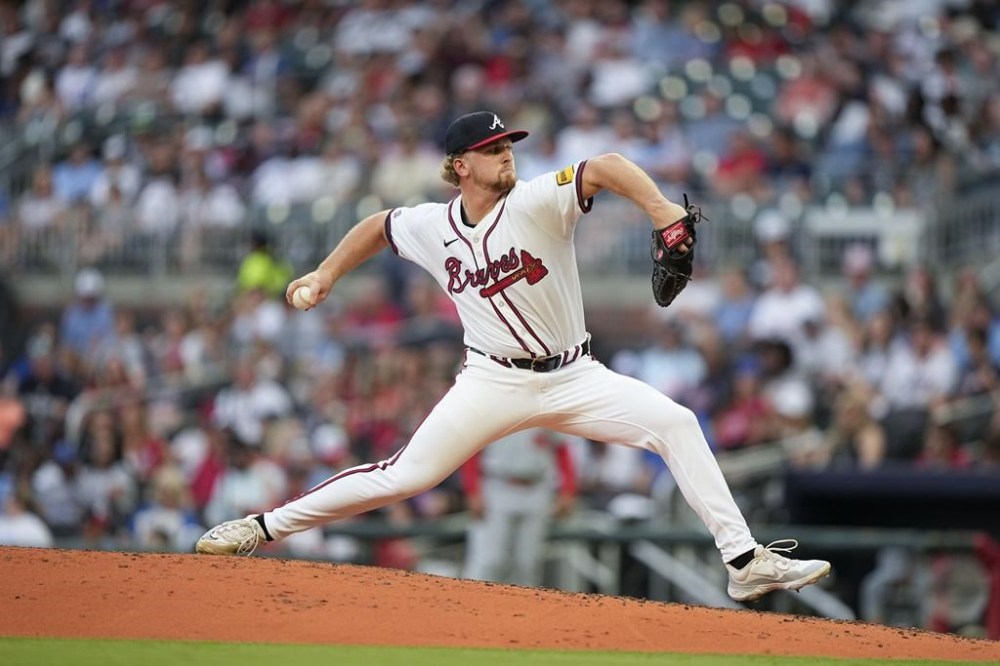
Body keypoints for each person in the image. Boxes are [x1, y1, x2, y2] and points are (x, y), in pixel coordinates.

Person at [196, 110, 831, 602]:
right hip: (490, 382)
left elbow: (604, 166)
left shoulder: (537, 200)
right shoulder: (433, 225)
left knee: (677, 424)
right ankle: (262, 526)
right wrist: (325, 273)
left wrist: (664, 213)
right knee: (404, 476)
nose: (507, 155)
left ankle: (745, 564)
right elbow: (379, 225)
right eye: (494, 149)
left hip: (575, 376)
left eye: (509, 146)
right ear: (460, 166)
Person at [461, 428, 576, 587]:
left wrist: (567, 490)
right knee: (490, 560)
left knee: (528, 563)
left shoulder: (545, 407)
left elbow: (562, 448)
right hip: (497, 485)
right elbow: (471, 450)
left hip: (536, 487)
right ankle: (474, 607)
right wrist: (473, 491)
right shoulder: (492, 407)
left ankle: (521, 611)